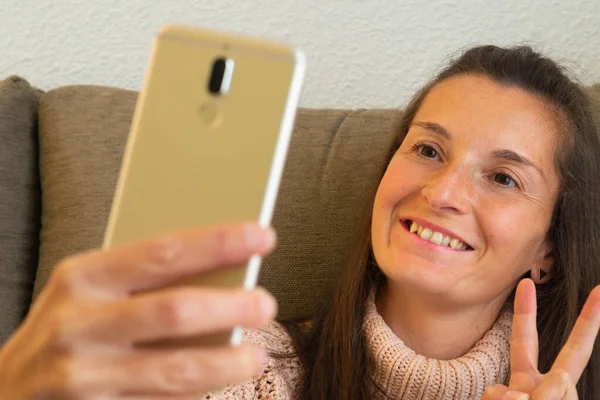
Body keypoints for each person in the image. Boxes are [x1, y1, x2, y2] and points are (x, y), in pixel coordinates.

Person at [0, 45, 598, 400]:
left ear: (549, 251)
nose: (443, 192)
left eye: (503, 178)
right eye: (428, 150)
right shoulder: (247, 370)